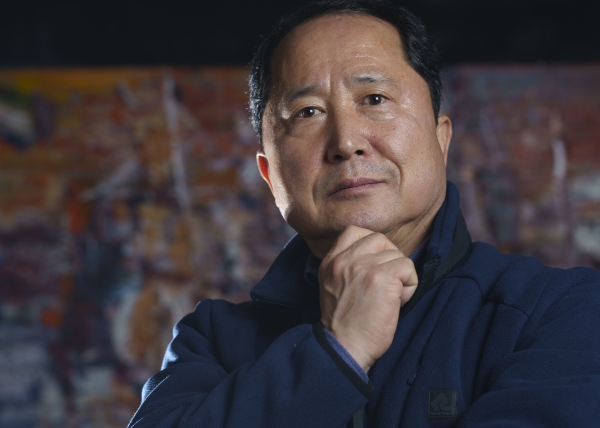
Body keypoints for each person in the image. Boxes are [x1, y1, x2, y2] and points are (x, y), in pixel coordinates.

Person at [128, 1, 600, 426]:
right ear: (270, 177)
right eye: (307, 112)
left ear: (440, 140)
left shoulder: (559, 311)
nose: (345, 142)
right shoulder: (212, 341)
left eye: (374, 99)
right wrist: (337, 350)